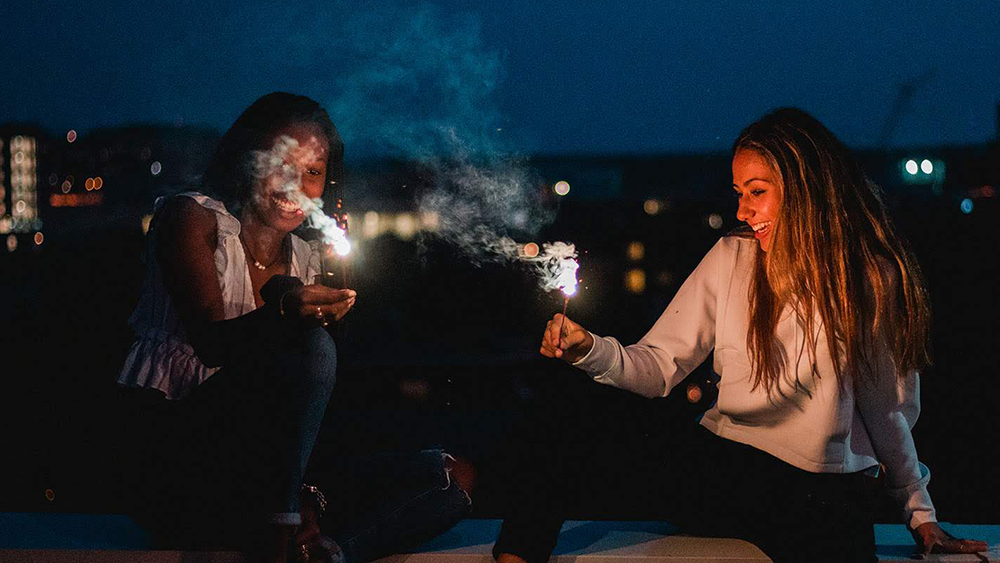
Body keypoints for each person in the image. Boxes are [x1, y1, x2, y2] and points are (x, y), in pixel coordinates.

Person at [492, 108, 988, 563]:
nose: (744, 210)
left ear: (805, 187)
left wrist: (919, 514)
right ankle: (516, 556)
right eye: (738, 193)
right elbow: (661, 365)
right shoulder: (733, 257)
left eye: (758, 190)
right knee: (570, 407)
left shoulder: (869, 277)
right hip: (728, 467)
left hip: (821, 490)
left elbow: (888, 410)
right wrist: (589, 351)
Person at [117, 92, 469, 563]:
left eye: (313, 172)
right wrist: (288, 315)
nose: (296, 185)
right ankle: (282, 531)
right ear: (246, 160)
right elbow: (212, 344)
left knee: (451, 476)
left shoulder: (306, 258)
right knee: (310, 345)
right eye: (281, 164)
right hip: (182, 461)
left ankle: (328, 552)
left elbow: (311, 405)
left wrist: (310, 489)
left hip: (272, 473)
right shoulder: (192, 218)